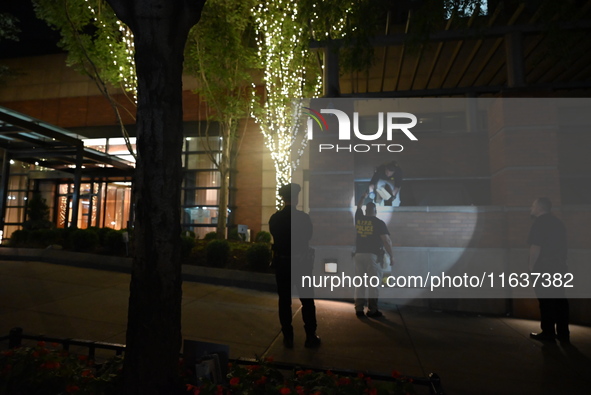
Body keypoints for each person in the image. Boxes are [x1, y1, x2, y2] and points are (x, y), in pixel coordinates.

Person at [269, 183, 321, 348]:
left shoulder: (275, 218)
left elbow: (275, 236)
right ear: (297, 198)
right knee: (307, 300)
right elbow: (309, 236)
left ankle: (288, 337)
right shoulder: (303, 218)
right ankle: (310, 336)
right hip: (302, 264)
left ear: (283, 198)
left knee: (284, 301)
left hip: (282, 264)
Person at [527, 197, 569, 342]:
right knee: (560, 300)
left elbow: (535, 247)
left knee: (546, 301)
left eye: (533, 205)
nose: (531, 208)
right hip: (559, 266)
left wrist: (531, 267)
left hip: (544, 267)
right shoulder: (558, 223)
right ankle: (563, 333)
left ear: (539, 207)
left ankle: (548, 332)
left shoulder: (539, 223)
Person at [354, 191, 394, 318]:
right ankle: (372, 310)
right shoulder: (379, 223)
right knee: (373, 284)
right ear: (375, 211)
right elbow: (386, 241)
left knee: (360, 283)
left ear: (366, 211)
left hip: (359, 254)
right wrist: (392, 256)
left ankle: (359, 309)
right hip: (373, 256)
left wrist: (363, 196)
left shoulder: (359, 218)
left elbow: (358, 207)